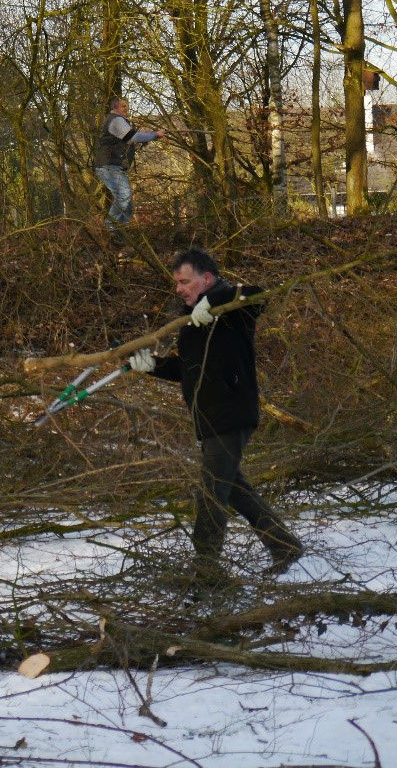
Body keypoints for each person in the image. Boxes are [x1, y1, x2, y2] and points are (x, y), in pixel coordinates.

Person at [129, 249, 302, 583]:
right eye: (176, 282)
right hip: (208, 420)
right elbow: (188, 369)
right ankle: (284, 545)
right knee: (232, 488)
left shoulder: (232, 308)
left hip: (232, 412)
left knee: (211, 491)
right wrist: (152, 365)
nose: (179, 288)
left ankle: (205, 566)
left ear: (206, 278)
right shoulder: (191, 321)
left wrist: (218, 299)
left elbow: (258, 294)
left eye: (184, 281)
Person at [92, 97, 164, 227]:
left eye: (127, 106)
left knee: (128, 204)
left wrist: (147, 139)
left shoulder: (121, 123)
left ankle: (121, 231)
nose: (127, 109)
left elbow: (129, 141)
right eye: (123, 106)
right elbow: (133, 137)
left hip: (113, 166)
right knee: (124, 196)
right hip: (109, 166)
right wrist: (154, 135)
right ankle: (109, 228)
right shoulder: (116, 120)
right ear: (115, 107)